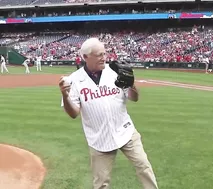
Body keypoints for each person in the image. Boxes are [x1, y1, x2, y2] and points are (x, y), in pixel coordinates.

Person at [58, 38, 159, 189]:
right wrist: (65, 96)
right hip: (99, 139)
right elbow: (73, 113)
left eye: (104, 53)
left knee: (144, 166)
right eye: (99, 55)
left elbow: (134, 98)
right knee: (101, 183)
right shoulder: (75, 80)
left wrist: (131, 84)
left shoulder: (114, 72)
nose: (104, 58)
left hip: (125, 131)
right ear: (85, 57)